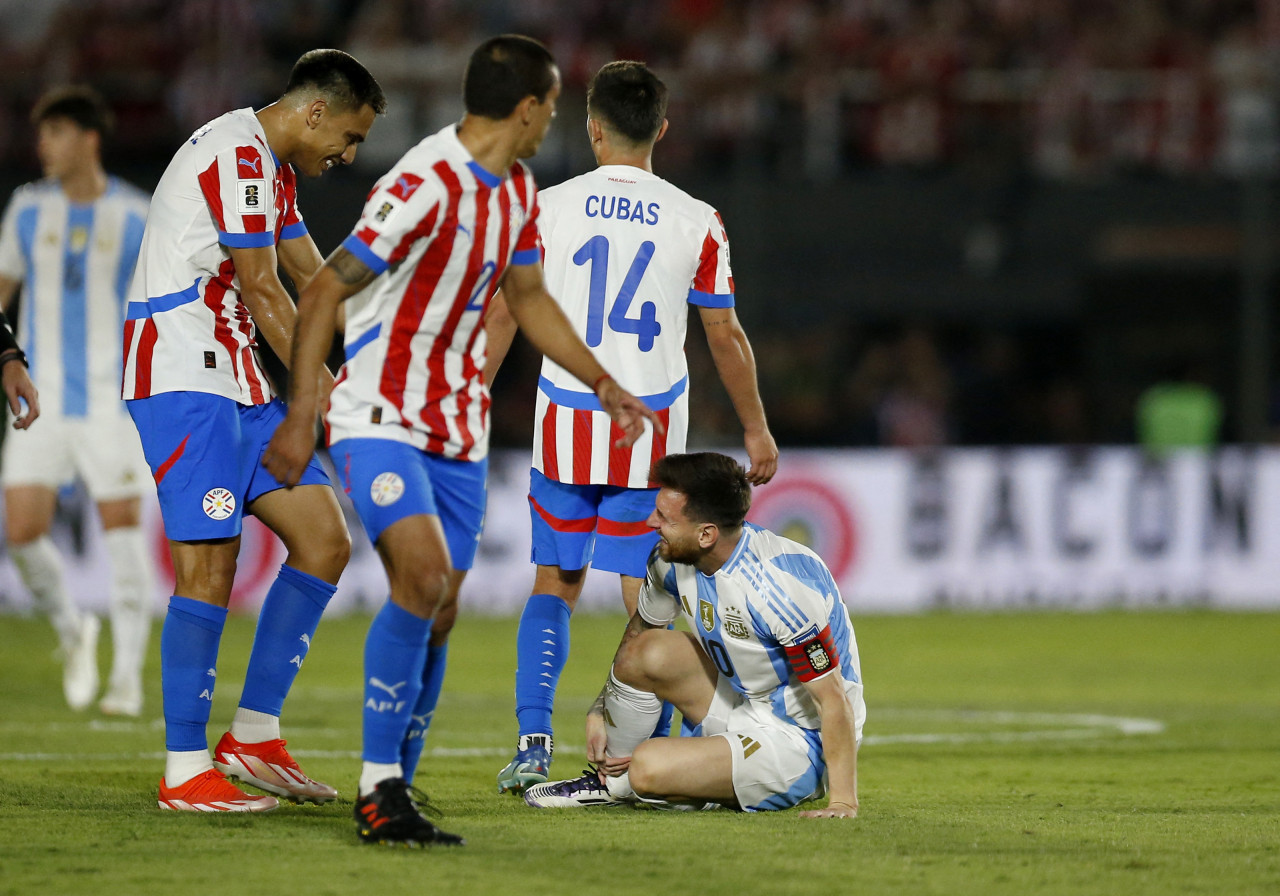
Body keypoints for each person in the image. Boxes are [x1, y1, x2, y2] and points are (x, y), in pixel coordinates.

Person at [263, 34, 663, 847]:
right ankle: (379, 794)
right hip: (381, 413)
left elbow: (529, 298)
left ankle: (399, 778)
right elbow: (326, 290)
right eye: (550, 108)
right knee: (419, 575)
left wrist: (603, 382)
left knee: (441, 605)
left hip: (457, 425)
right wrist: (306, 412)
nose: (555, 122)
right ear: (526, 107)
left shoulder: (516, 191)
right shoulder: (423, 181)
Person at [484, 61, 779, 794]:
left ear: (591, 127)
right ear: (664, 130)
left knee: (553, 581)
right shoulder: (697, 218)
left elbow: (503, 313)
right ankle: (671, 752)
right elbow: (725, 335)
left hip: (566, 424)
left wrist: (470, 402)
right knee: (648, 598)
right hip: (647, 437)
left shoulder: (543, 207)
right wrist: (756, 431)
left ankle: (531, 744)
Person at [122, 50, 385, 813]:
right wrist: (321, 399)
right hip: (183, 373)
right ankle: (183, 769)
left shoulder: (269, 168)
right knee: (209, 564)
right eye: (349, 136)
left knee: (324, 536)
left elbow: (313, 273)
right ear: (313, 113)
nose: (349, 155)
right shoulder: (237, 154)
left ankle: (254, 737)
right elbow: (267, 290)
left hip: (234, 376)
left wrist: (375, 335)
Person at [524, 452, 864, 818]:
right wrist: (599, 708)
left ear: (706, 534)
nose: (651, 521)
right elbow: (640, 633)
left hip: (798, 740)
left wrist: (843, 801)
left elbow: (833, 700)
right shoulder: (669, 560)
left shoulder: (777, 590)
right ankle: (610, 785)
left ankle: (735, 780)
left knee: (649, 768)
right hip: (744, 701)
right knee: (645, 651)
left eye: (665, 518)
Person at [0, 86, 151, 716]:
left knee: (122, 537)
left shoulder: (137, 215)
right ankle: (73, 630)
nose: (43, 146)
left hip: (112, 405)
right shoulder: (28, 209)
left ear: (88, 138)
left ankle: (127, 679)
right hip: (41, 403)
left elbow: (161, 309)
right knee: (22, 535)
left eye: (54, 132)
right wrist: (9, 359)